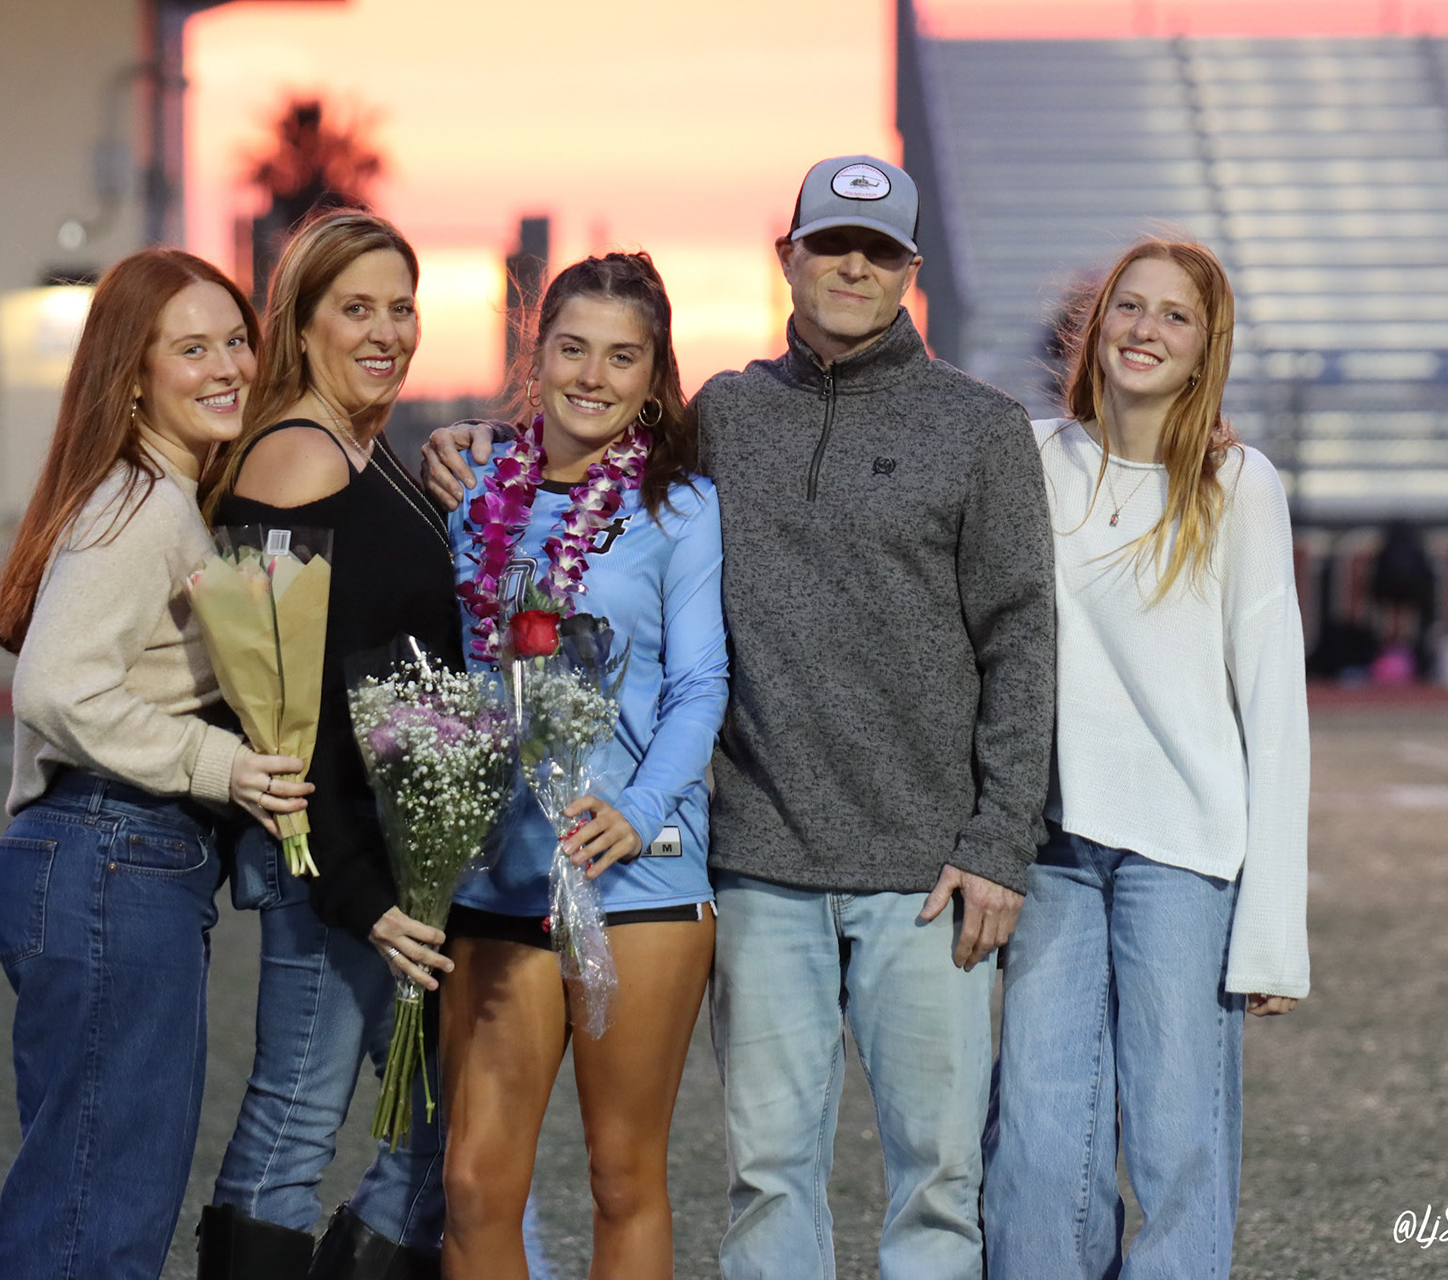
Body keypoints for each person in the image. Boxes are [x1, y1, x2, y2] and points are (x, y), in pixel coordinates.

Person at [424, 156, 1055, 1280]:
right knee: (766, 1178)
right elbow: (586, 446)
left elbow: (1022, 641)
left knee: (937, 1184)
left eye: (878, 251)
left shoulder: (981, 428)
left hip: (924, 872)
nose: (852, 267)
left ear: (910, 269)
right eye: (830, 244)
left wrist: (999, 841)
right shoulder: (727, 414)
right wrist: (476, 439)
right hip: (762, 863)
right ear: (788, 258)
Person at [0, 247, 313, 1280]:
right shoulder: (139, 504)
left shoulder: (156, 493)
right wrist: (221, 763)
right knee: (94, 1224)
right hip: (110, 855)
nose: (227, 367)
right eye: (191, 348)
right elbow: (55, 687)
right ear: (132, 374)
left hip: (104, 859)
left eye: (236, 341)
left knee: (85, 1199)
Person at [982, 237, 1310, 1279]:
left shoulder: (1238, 484)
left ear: (1207, 347)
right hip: (1052, 852)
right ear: (1096, 325)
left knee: (1178, 1151)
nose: (1146, 330)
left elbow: (1274, 706)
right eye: (1129, 306)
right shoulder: (1029, 458)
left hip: (1185, 860)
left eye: (1176, 316)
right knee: (1036, 1149)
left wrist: (1273, 934)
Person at [436, 252, 727, 1280]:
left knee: (620, 1173)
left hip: (636, 876)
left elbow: (700, 683)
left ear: (655, 376)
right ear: (537, 353)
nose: (592, 376)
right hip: (499, 876)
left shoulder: (680, 508)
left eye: (621, 356)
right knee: (474, 1182)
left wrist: (638, 807)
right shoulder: (475, 489)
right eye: (572, 348)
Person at [196, 209, 459, 1280]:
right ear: (302, 327)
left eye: (402, 307)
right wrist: (356, 887)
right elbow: (275, 707)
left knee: (436, 1127)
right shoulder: (292, 460)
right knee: (298, 1120)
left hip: (390, 855)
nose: (387, 331)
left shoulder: (364, 448)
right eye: (357, 309)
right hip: (326, 865)